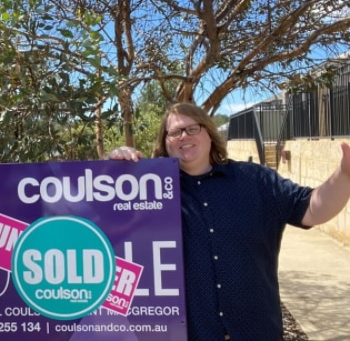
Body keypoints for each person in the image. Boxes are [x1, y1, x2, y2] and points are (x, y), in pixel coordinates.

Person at [108, 102, 350, 341]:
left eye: (192, 128)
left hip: (257, 331)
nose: (184, 136)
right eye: (174, 132)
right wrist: (116, 173)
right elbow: (114, 232)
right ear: (165, 142)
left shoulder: (255, 180)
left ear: (209, 134)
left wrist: (345, 173)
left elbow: (312, 209)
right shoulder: (150, 194)